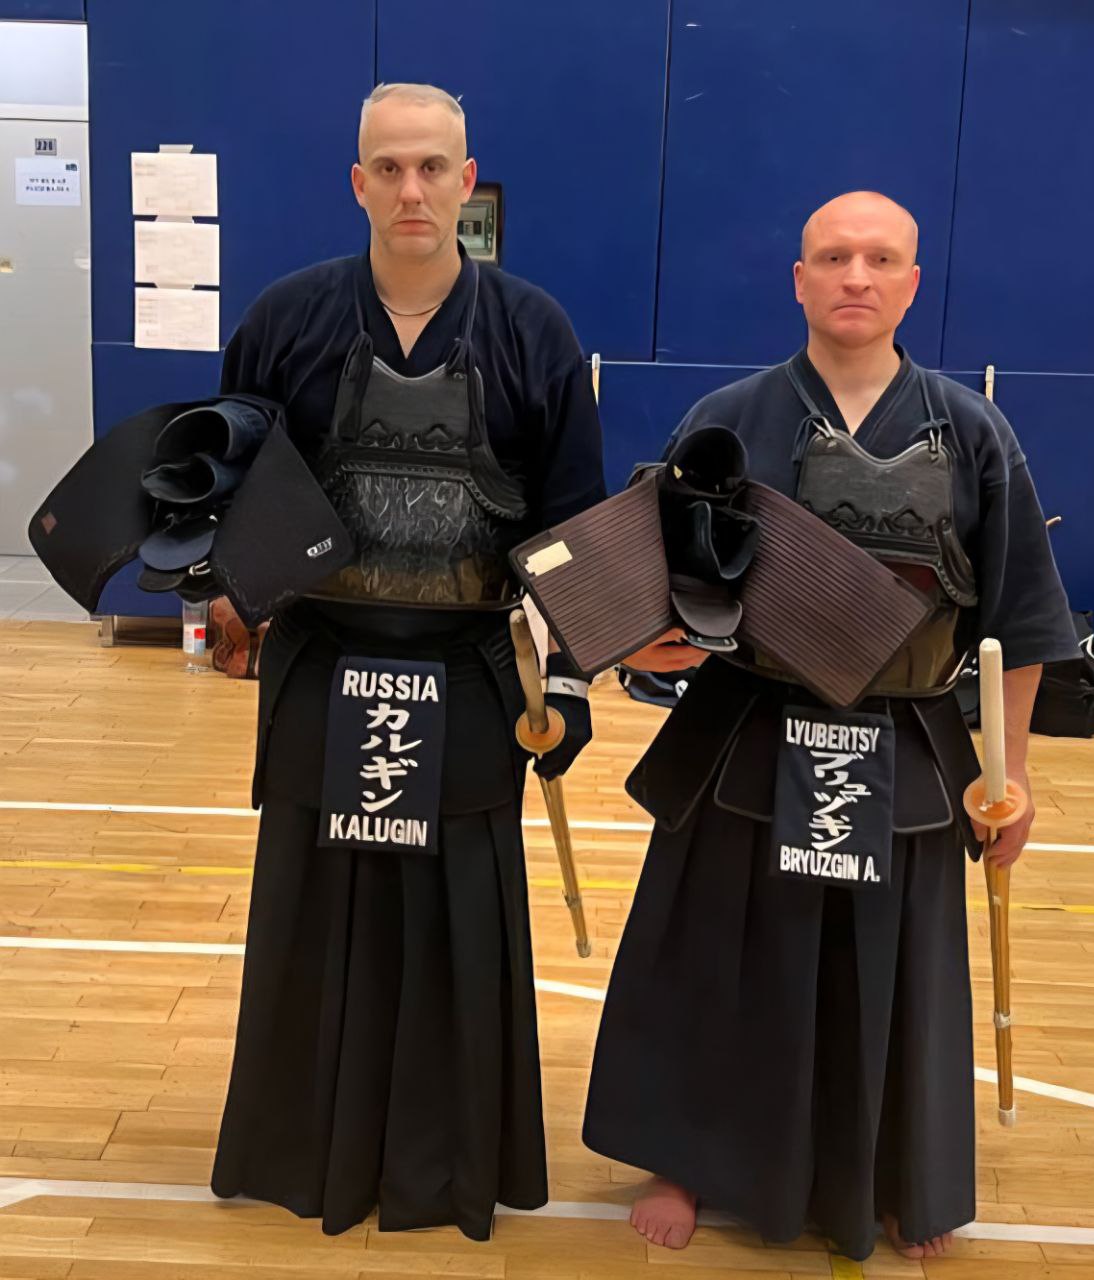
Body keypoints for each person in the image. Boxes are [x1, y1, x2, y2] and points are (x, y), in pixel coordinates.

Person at [583, 191, 1078, 1262]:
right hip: (750, 732)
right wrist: (642, 642)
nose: (857, 276)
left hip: (906, 741)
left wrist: (1015, 774)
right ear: (799, 280)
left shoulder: (974, 432)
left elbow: (1023, 622)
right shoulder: (728, 419)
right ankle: (688, 1156)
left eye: (881, 259)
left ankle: (891, 1172)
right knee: (714, 952)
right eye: (835, 257)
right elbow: (652, 588)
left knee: (886, 965)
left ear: (913, 283)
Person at [210, 82, 605, 1241]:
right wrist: (226, 593)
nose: (412, 189)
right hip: (324, 665)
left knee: (455, 922)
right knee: (314, 910)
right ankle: (305, 1148)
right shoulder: (286, 318)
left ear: (467, 179)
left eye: (433, 166)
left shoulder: (533, 330)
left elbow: (569, 527)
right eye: (388, 167)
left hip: (474, 672)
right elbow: (228, 485)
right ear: (358, 183)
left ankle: (445, 1161)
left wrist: (568, 679)